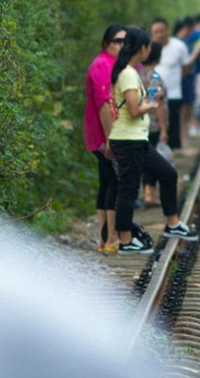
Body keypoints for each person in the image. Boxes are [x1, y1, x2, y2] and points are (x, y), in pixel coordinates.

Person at [109, 27, 198, 254]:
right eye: (148, 46)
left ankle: (172, 224)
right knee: (128, 190)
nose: (150, 50)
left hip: (136, 139)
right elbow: (133, 109)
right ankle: (126, 240)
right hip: (128, 140)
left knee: (168, 173)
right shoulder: (128, 74)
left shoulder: (131, 71)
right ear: (142, 48)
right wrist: (150, 104)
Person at [83, 24, 125, 253]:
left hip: (106, 133)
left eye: (124, 41)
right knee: (114, 183)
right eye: (117, 41)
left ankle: (104, 239)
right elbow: (103, 105)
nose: (121, 45)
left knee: (107, 182)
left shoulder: (116, 65)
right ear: (106, 44)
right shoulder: (101, 65)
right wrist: (110, 139)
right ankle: (111, 238)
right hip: (102, 134)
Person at [150, 17, 189, 152]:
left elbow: (186, 67)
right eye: (156, 32)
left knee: (173, 124)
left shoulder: (179, 46)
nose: (160, 34)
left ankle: (172, 154)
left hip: (173, 93)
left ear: (167, 30)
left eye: (162, 31)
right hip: (154, 93)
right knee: (155, 125)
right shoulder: (150, 48)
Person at [138, 41, 168, 207]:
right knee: (151, 161)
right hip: (153, 125)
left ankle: (142, 195)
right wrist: (163, 128)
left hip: (139, 124)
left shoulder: (138, 74)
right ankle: (149, 195)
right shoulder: (154, 77)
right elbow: (157, 103)